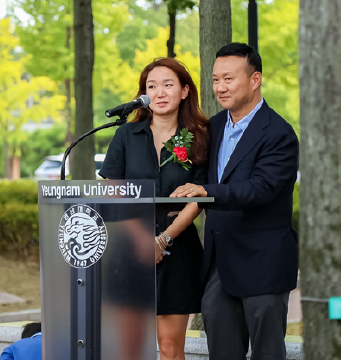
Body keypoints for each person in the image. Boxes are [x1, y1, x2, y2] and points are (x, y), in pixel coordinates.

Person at [172, 43, 299, 360]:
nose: (220, 87)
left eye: (228, 79)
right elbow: (194, 179)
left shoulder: (279, 133)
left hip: (263, 266)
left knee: (268, 354)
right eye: (216, 80)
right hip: (219, 267)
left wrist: (207, 192)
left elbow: (262, 188)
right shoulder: (211, 128)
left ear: (255, 79)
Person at [99, 57, 209, 360]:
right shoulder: (126, 135)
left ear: (185, 91)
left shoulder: (199, 137)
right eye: (152, 86)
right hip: (129, 250)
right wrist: (141, 239)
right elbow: (113, 189)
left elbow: (198, 197)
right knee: (129, 347)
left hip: (178, 248)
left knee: (171, 347)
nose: (159, 92)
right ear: (143, 94)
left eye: (168, 85)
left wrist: (163, 240)